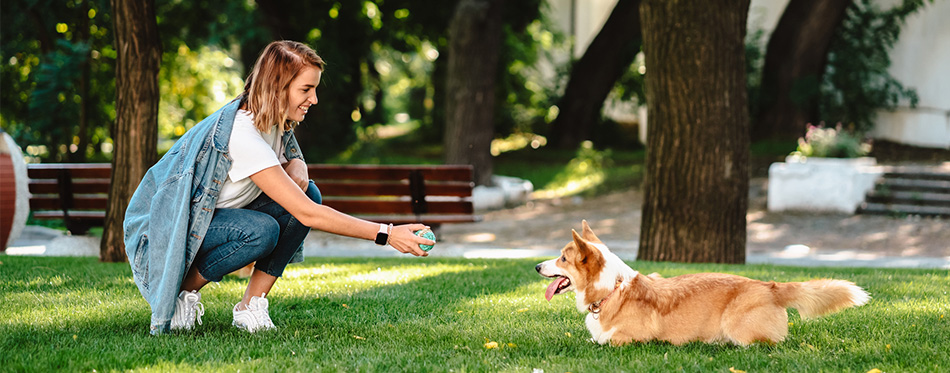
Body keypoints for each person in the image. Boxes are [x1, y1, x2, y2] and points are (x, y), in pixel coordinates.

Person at [123, 40, 434, 335]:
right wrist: (388, 233)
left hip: (214, 221)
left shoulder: (274, 120)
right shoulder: (242, 133)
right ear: (277, 88)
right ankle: (183, 293)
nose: (314, 99)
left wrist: (298, 161)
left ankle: (250, 306)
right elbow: (308, 214)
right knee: (262, 229)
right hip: (164, 234)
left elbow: (295, 169)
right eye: (306, 89)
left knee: (308, 191)